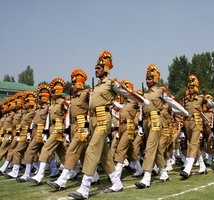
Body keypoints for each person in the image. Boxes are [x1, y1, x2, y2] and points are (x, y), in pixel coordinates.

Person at [68, 51, 149, 199]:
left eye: (99, 67)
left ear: (106, 69)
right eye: (95, 68)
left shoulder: (111, 84)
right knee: (105, 156)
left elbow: (127, 93)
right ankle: (117, 183)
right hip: (93, 121)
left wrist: (144, 102)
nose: (96, 70)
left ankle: (84, 187)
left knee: (92, 149)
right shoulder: (97, 87)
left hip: (103, 120)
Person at [135, 64, 189, 189]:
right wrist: (141, 126)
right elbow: (142, 109)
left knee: (149, 147)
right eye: (147, 78)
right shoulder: (145, 93)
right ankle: (164, 172)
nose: (148, 80)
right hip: (146, 122)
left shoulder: (160, 91)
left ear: (155, 78)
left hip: (156, 120)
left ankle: (146, 177)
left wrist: (185, 112)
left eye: (150, 78)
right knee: (158, 149)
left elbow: (172, 102)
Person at [46, 69, 98, 190]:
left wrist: (86, 129)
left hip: (81, 127)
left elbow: (89, 111)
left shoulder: (86, 94)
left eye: (74, 83)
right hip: (74, 127)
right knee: (82, 155)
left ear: (80, 84)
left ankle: (61, 181)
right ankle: (95, 176)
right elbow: (69, 116)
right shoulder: (73, 98)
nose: (72, 85)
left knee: (71, 151)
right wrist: (68, 132)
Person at [28, 77, 68, 183]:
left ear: (59, 91)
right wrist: (46, 132)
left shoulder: (63, 102)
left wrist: (68, 130)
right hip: (52, 128)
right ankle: (92, 175)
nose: (52, 93)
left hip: (59, 127)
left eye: (54, 91)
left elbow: (69, 114)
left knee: (46, 148)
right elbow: (48, 120)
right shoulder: (52, 105)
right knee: (62, 153)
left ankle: (40, 175)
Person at [16, 84, 51, 182]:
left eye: (40, 97)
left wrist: (45, 133)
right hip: (35, 131)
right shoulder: (38, 109)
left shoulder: (47, 108)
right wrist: (29, 134)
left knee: (30, 151)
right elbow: (32, 123)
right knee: (43, 152)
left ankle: (27, 173)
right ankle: (55, 169)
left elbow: (48, 121)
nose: (38, 99)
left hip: (41, 131)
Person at [4, 90, 36, 179]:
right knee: (25, 152)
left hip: (26, 134)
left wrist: (29, 135)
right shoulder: (25, 112)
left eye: (26, 102)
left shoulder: (32, 112)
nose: (24, 104)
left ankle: (17, 172)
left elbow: (31, 125)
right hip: (21, 133)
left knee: (18, 151)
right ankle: (24, 172)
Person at [180, 75, 207, 179]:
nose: (190, 89)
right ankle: (202, 166)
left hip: (196, 122)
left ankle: (188, 168)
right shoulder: (186, 99)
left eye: (192, 87)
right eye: (189, 87)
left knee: (193, 144)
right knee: (193, 145)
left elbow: (209, 105)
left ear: (196, 87)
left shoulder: (200, 98)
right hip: (187, 123)